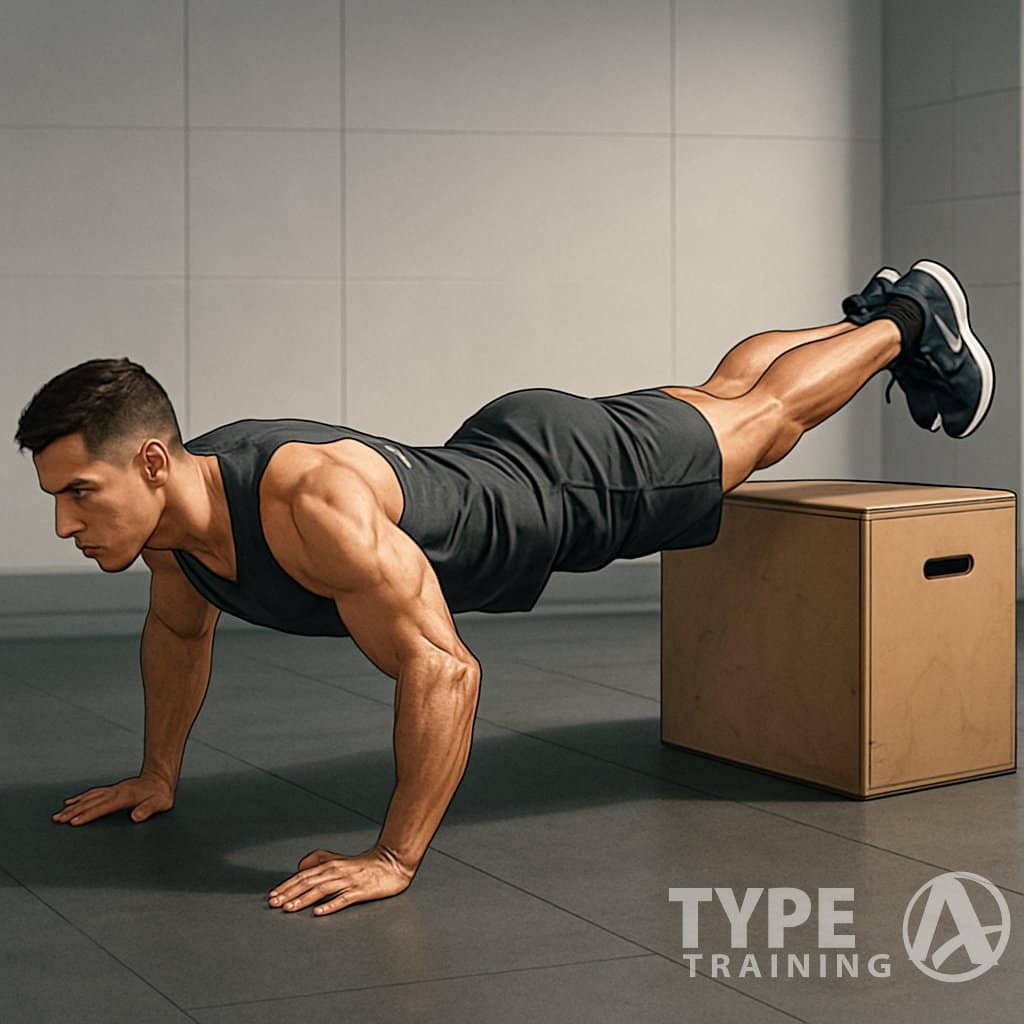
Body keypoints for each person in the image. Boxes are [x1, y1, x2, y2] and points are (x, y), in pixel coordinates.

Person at [16, 257, 993, 918]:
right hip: (506, 449)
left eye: (78, 493)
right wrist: (158, 773)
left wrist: (393, 857)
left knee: (763, 420)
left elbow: (444, 671)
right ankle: (885, 308)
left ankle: (907, 324)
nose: (66, 523)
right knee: (718, 402)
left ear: (149, 462)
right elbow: (180, 638)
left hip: (559, 492)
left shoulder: (305, 505)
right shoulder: (173, 526)